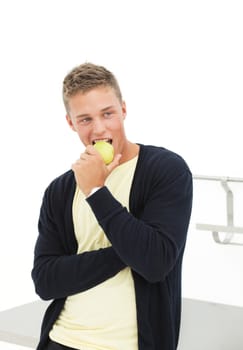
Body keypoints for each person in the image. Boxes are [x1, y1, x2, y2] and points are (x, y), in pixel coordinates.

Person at [31, 62, 193, 350]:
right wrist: (127, 253)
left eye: (108, 113)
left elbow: (155, 263)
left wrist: (96, 191)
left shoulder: (166, 170)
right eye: (85, 119)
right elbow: (45, 281)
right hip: (62, 339)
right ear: (71, 123)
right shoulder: (60, 190)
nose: (100, 128)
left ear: (123, 110)